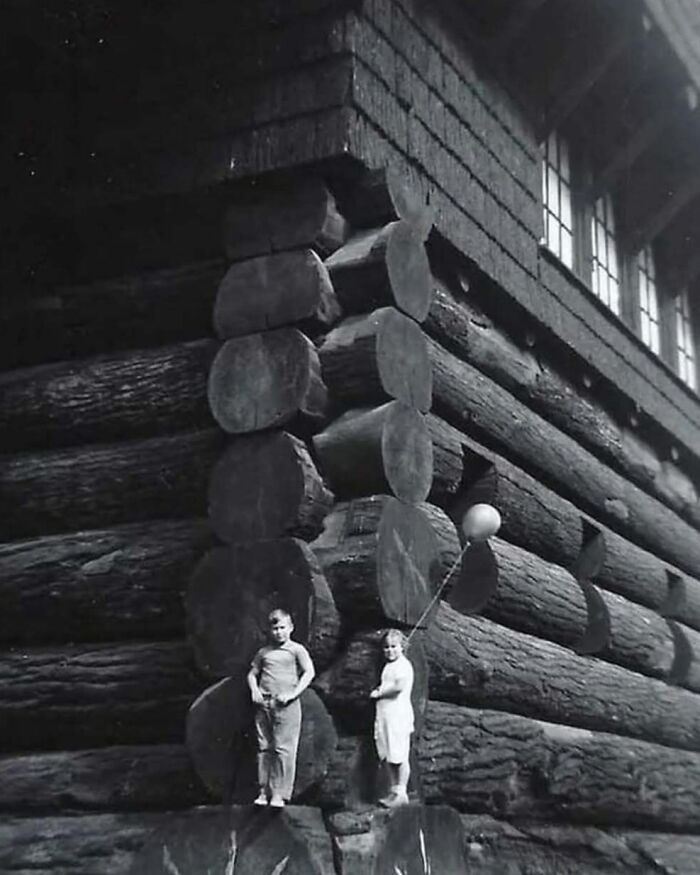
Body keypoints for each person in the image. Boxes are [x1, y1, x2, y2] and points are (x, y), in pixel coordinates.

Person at [247, 608, 315, 808]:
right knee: (264, 747)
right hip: (264, 704)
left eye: (282, 628)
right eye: (275, 628)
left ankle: (279, 794)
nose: (279, 632)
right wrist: (254, 691)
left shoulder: (296, 650)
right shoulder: (264, 652)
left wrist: (293, 694)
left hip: (286, 704)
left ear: (291, 628)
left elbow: (309, 672)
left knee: (283, 749)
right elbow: (252, 674)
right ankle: (263, 791)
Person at [369, 628, 414, 808]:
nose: (390, 651)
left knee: (400, 754)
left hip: (398, 715)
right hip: (386, 715)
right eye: (387, 648)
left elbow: (398, 686)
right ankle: (394, 790)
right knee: (388, 754)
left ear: (402, 646)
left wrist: (379, 692)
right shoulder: (389, 666)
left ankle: (402, 791)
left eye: (394, 647)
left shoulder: (404, 665)